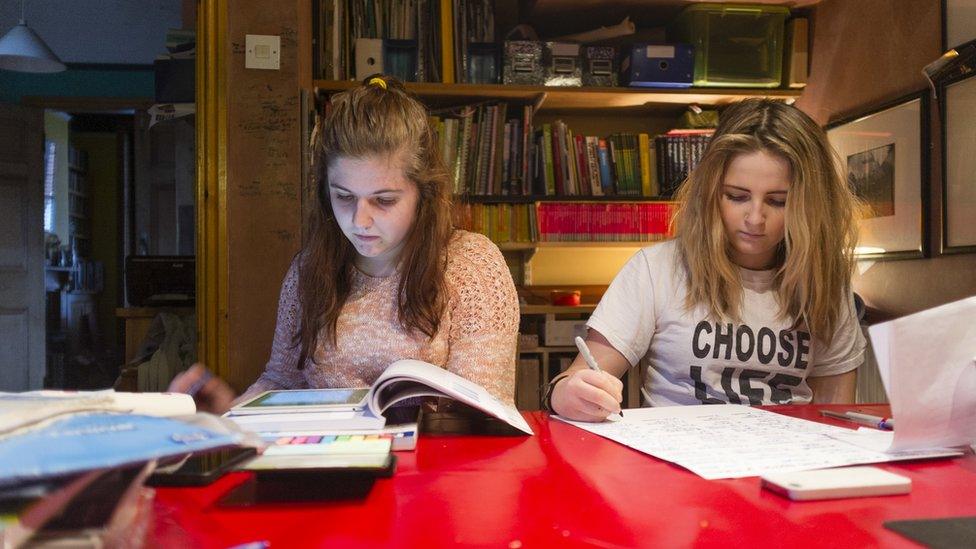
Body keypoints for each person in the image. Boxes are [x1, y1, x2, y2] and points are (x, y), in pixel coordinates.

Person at [170, 75, 520, 413]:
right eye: (344, 196)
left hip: (436, 467)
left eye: (383, 201)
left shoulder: (472, 267)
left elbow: (485, 413)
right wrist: (230, 413)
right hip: (335, 462)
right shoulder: (310, 269)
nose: (359, 220)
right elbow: (283, 382)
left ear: (423, 195)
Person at [549, 99, 865, 422]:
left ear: (809, 205)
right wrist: (567, 394)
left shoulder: (824, 279)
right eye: (737, 196)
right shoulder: (657, 269)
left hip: (784, 464)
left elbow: (834, 415)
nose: (755, 218)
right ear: (712, 191)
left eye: (778, 201)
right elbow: (570, 382)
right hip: (674, 462)